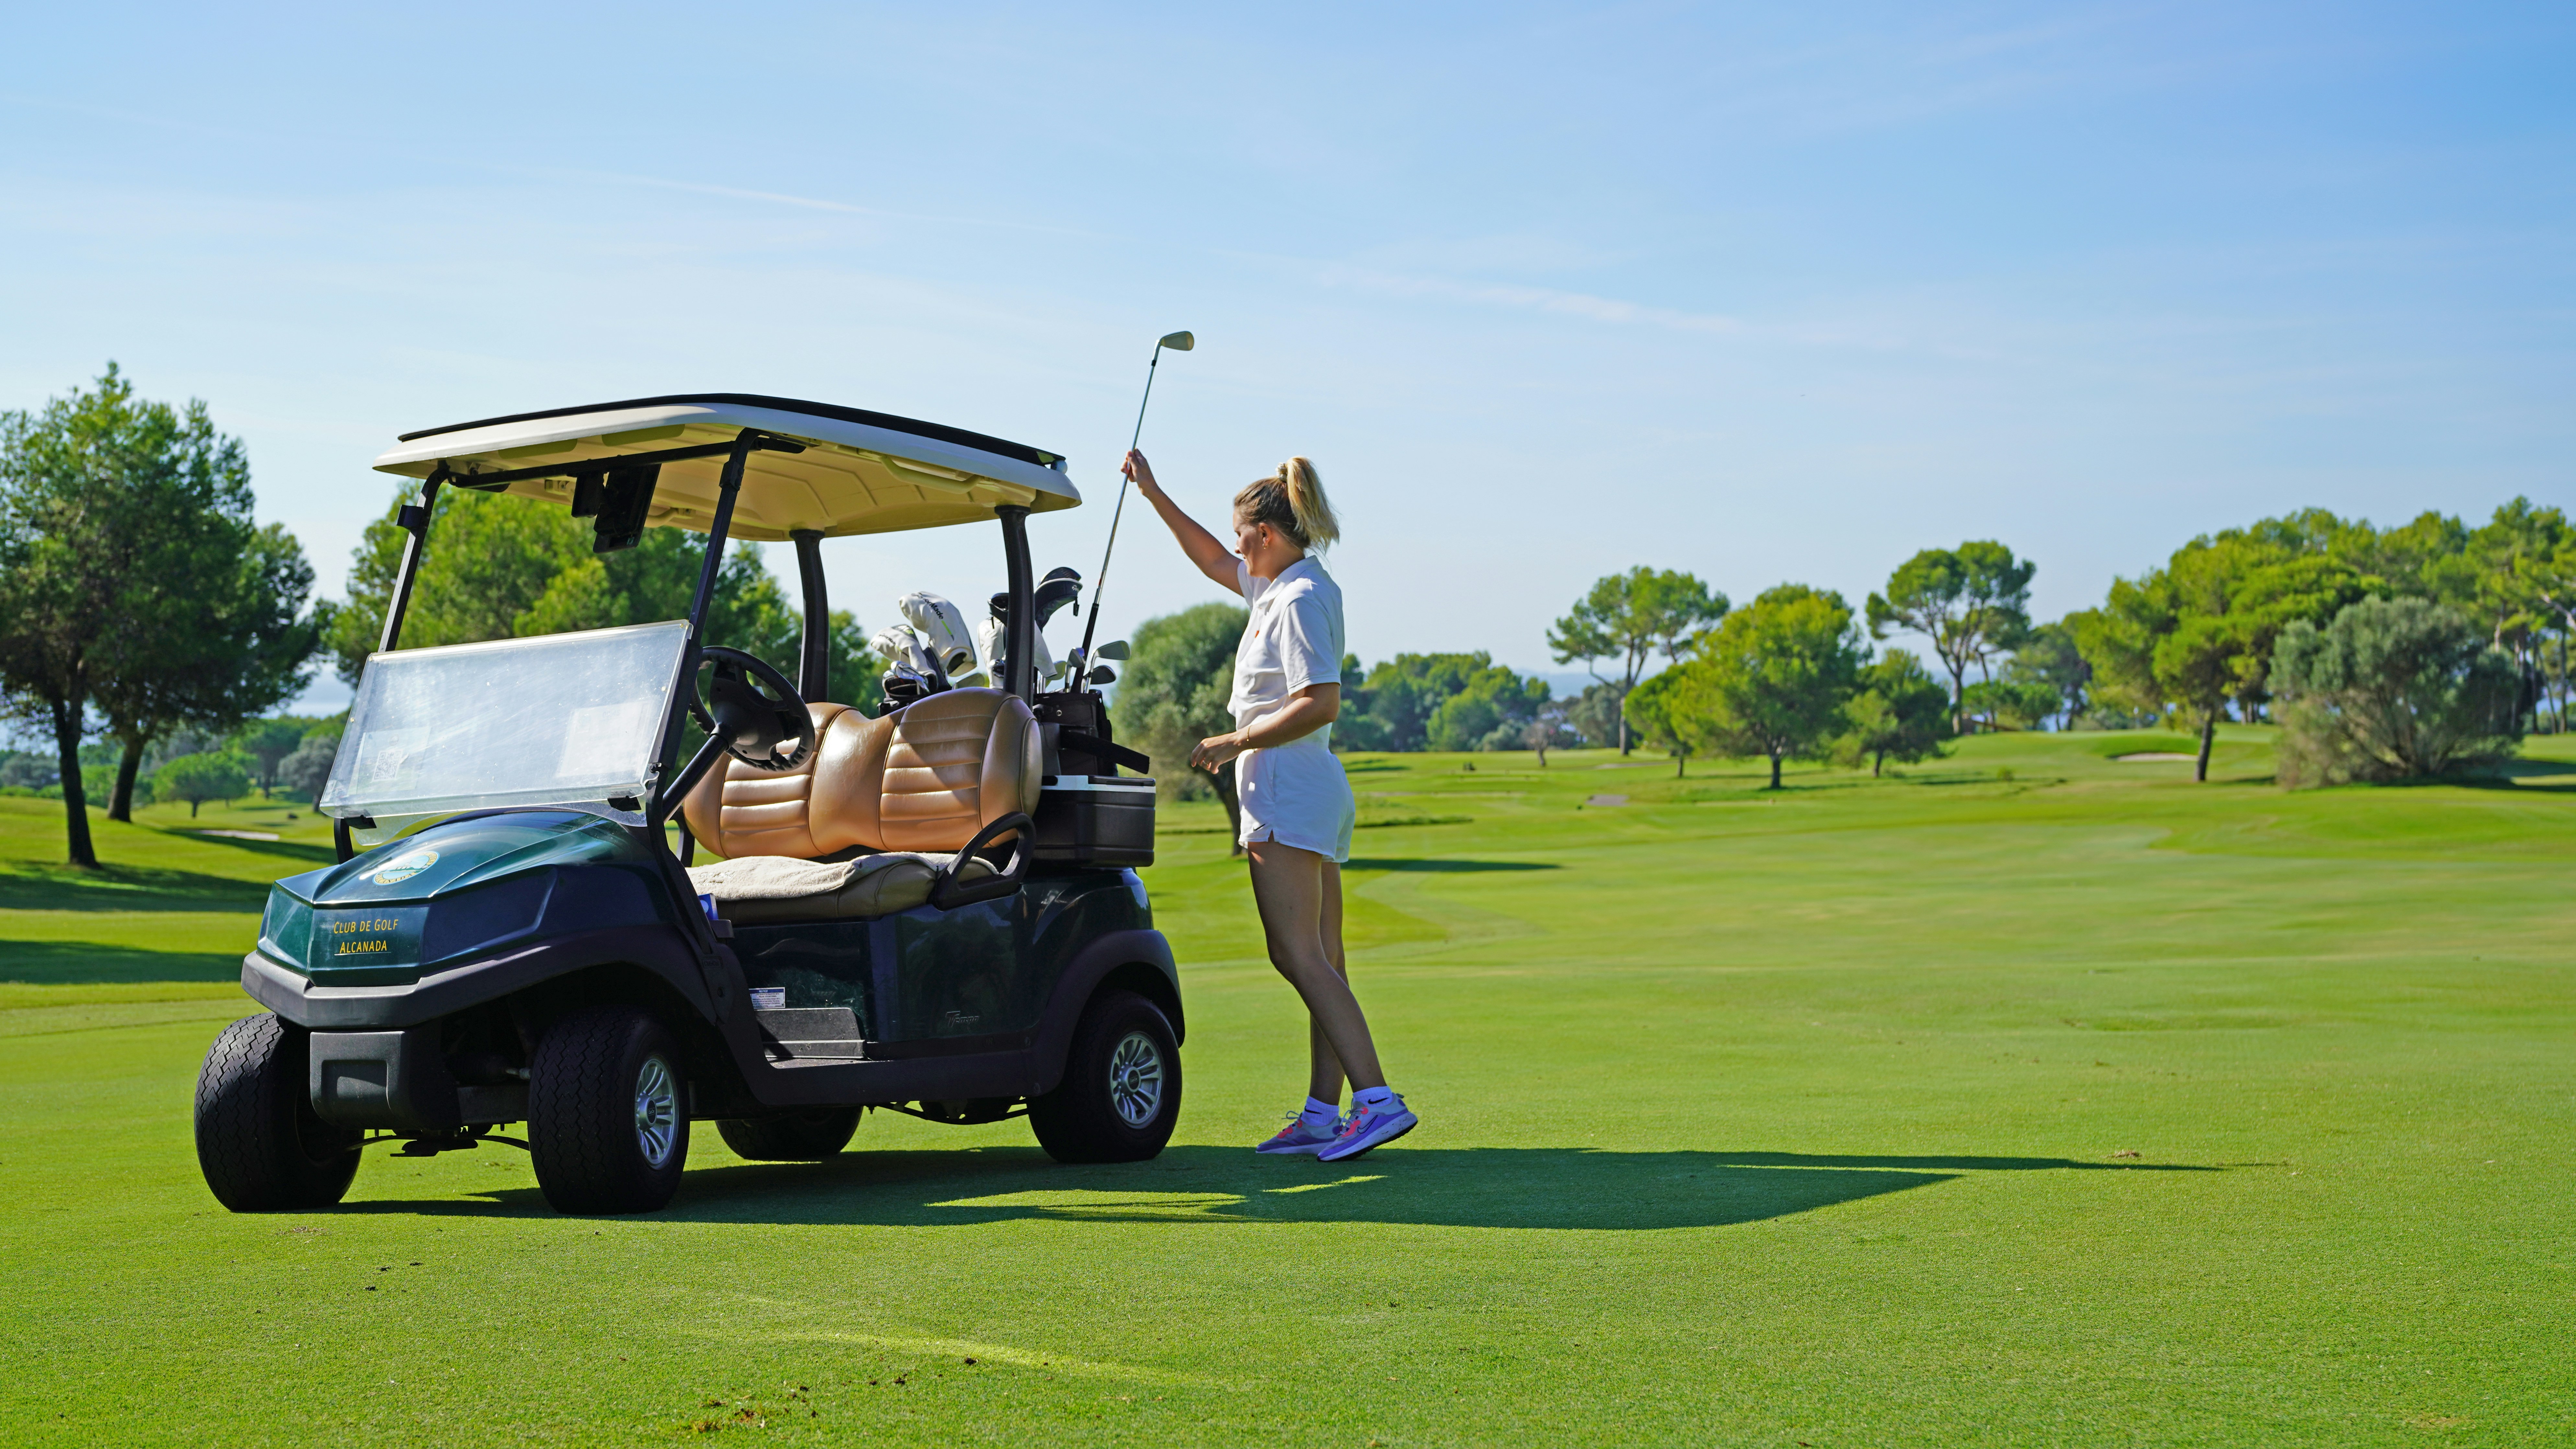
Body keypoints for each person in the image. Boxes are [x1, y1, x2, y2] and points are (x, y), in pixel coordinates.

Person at [1123, 449, 1417, 1162]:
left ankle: (1377, 1100)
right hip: (1300, 784)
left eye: (1240, 532)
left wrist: (1233, 739)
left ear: (1268, 533)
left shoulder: (1299, 598)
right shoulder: (1280, 587)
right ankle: (1323, 1112)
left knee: (1296, 955)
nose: (1233, 545)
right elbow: (1205, 559)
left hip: (1287, 781)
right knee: (1322, 959)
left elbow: (1320, 702)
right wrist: (1153, 493)